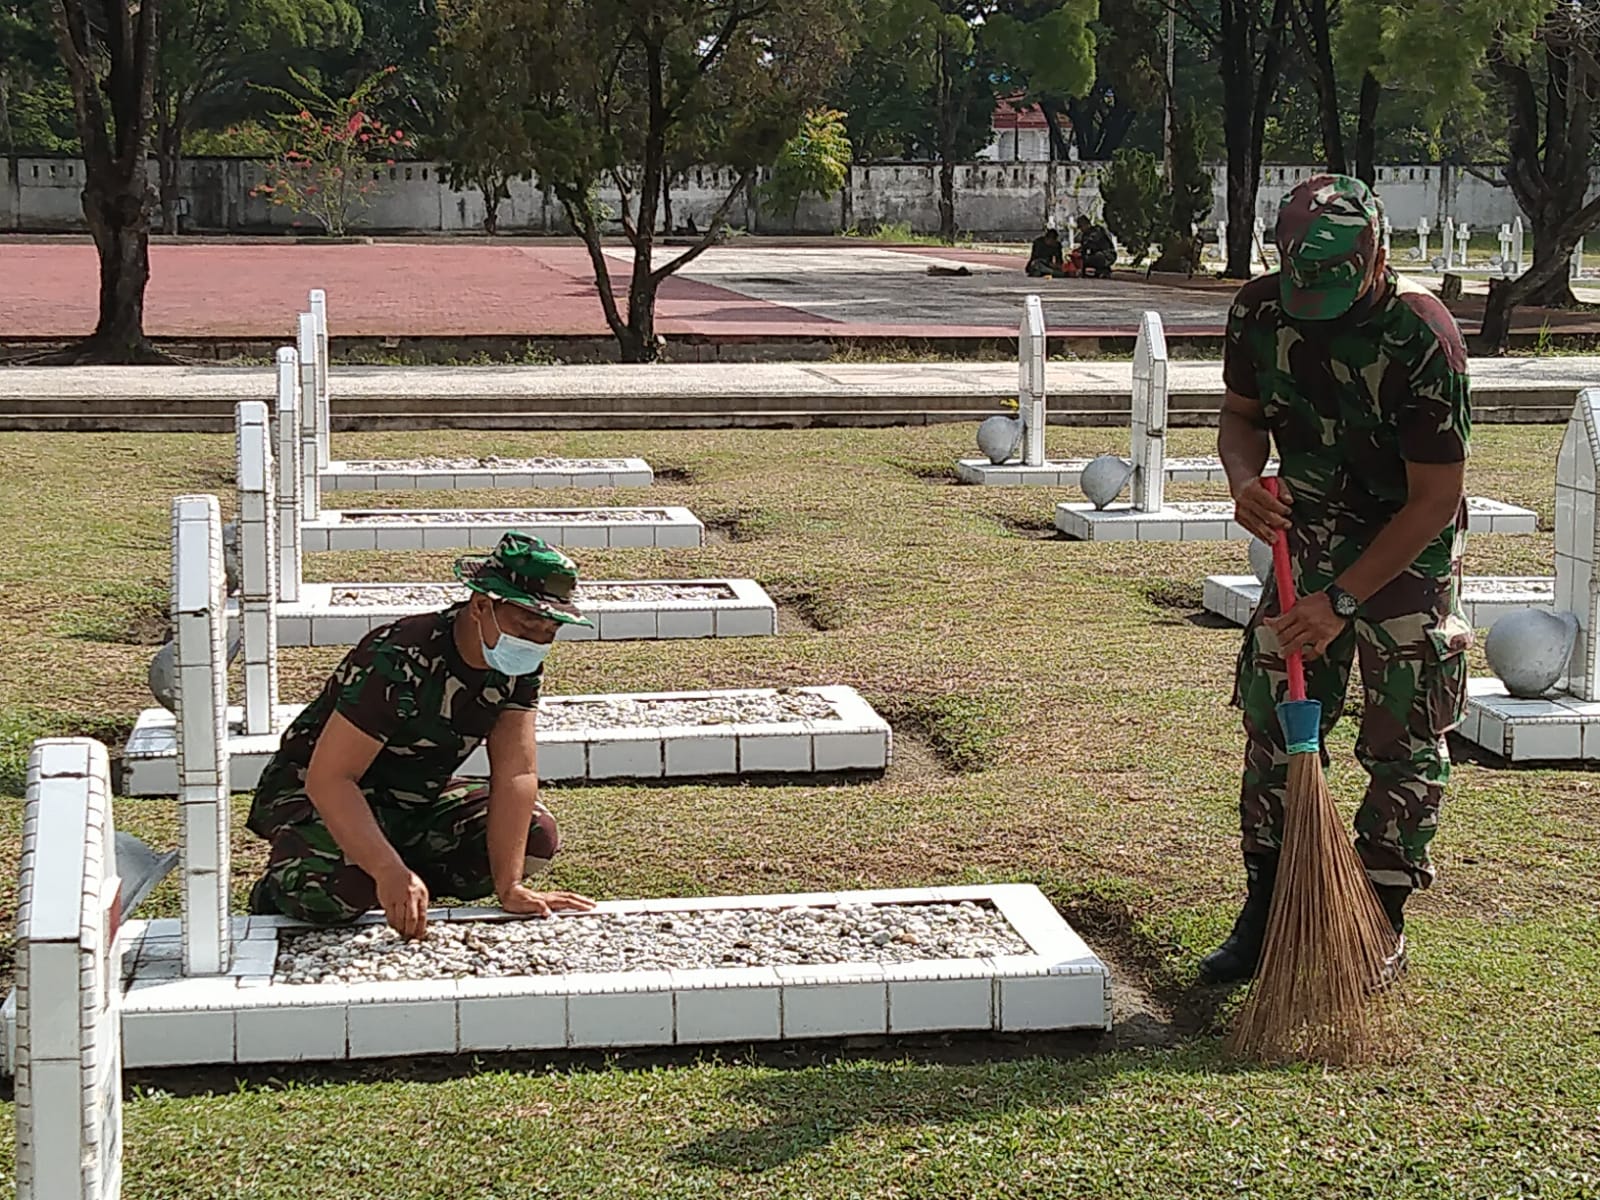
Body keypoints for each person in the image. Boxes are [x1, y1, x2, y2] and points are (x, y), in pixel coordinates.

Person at [1202, 174, 1474, 984]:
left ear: (1376, 259)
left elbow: (1435, 498)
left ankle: (1378, 914)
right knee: (1275, 719)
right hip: (1307, 537)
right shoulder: (1261, 310)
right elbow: (1241, 417)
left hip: (1404, 546)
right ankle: (1269, 906)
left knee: (1403, 732)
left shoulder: (1422, 335)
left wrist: (1343, 601)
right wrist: (1242, 481)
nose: (1312, 302)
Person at [246, 532, 597, 939]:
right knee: (337, 889)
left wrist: (510, 886)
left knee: (536, 835)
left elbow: (516, 770)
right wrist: (386, 870)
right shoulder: (399, 657)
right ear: (481, 605)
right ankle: (290, 883)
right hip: (317, 796)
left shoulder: (518, 666)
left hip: (415, 797)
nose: (536, 639)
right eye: (526, 623)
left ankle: (402, 880)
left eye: (550, 629)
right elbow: (331, 779)